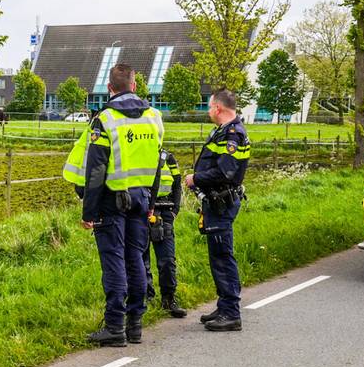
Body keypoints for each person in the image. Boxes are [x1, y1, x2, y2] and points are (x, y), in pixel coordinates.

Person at [74, 64, 164, 347]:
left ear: (109, 88)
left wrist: (89, 211)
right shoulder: (154, 118)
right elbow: (158, 164)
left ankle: (115, 326)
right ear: (135, 86)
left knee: (114, 261)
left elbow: (96, 170)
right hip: (141, 199)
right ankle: (135, 324)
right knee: (136, 259)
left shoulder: (105, 119)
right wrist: (152, 202)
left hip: (111, 203)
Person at [184, 89, 251, 332]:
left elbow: (225, 172)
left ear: (218, 109)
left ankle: (231, 313)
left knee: (223, 256)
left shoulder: (232, 135)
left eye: (210, 107)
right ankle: (224, 306)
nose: (208, 111)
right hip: (216, 202)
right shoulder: (225, 131)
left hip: (222, 202)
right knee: (217, 256)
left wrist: (195, 178)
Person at [143, 149, 187, 318]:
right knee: (141, 260)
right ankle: (146, 297)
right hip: (142, 212)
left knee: (167, 260)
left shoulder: (168, 158)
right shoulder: (140, 154)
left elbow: (177, 185)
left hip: (165, 212)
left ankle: (169, 299)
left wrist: (175, 210)